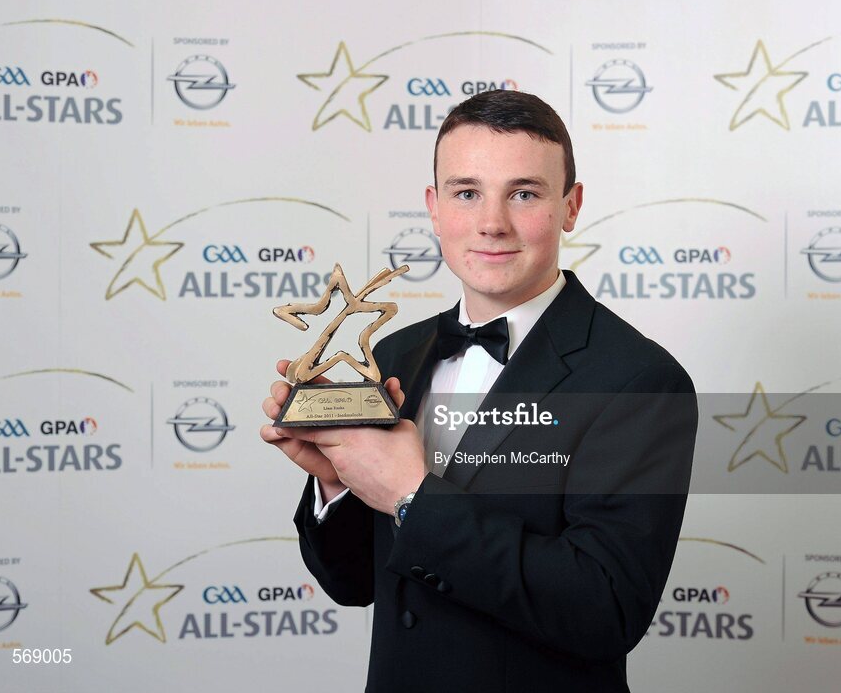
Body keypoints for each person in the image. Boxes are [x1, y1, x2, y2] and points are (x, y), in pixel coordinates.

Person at [260, 90, 697, 692]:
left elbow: (606, 610)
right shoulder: (392, 358)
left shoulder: (639, 381)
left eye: (524, 193)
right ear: (434, 209)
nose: (492, 222)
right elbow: (354, 583)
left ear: (570, 206)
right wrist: (337, 483)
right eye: (468, 193)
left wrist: (412, 495)